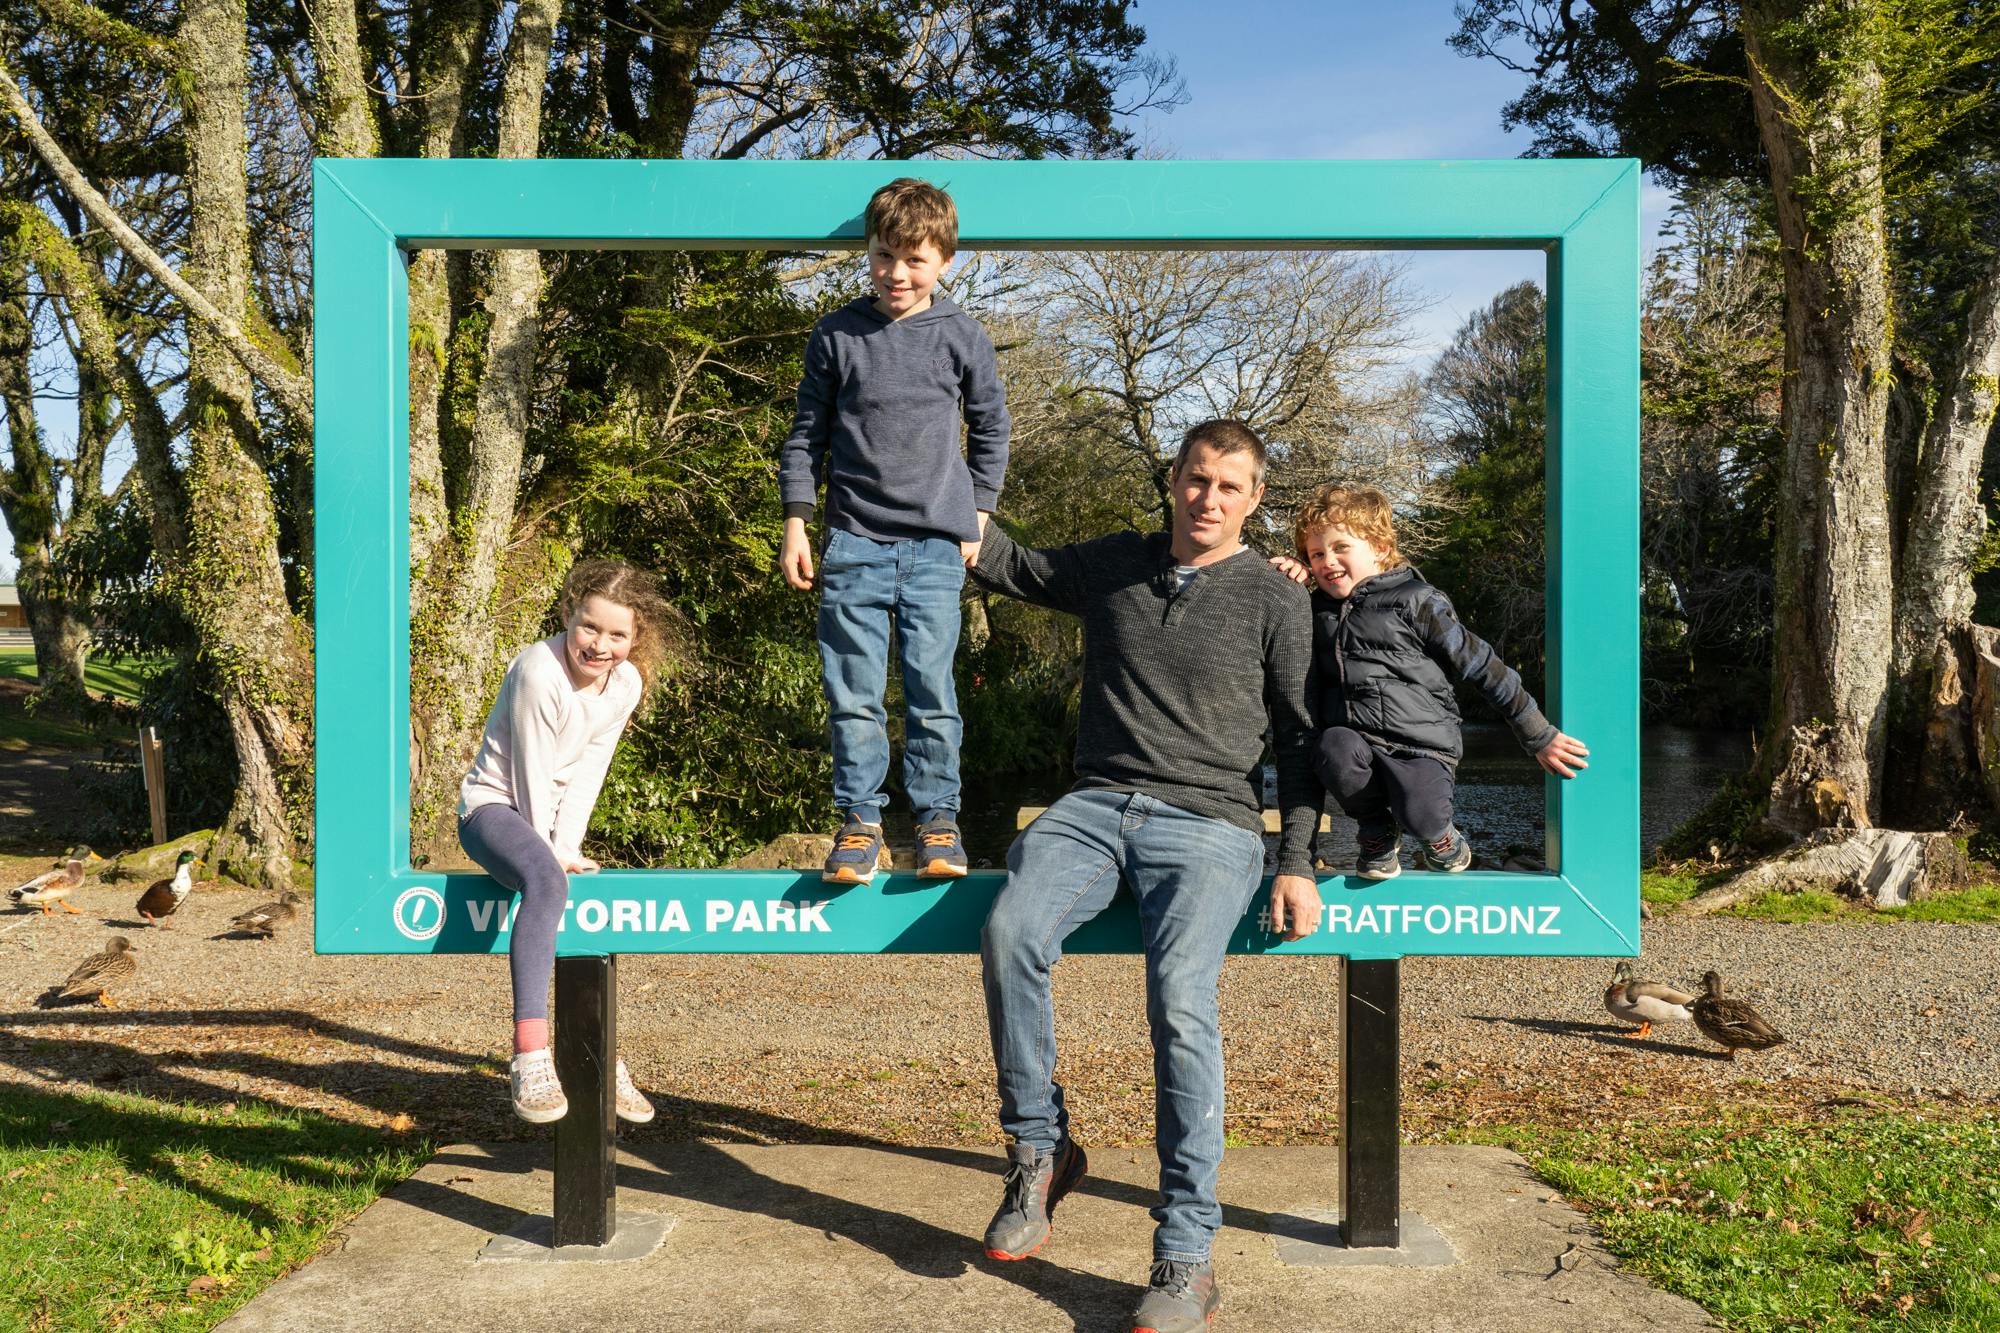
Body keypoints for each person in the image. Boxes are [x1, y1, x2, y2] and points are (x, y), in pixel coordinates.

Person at [971, 419, 1321, 1333]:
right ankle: (1041, 1152)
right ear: (1173, 479)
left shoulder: (1276, 596)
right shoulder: (1116, 563)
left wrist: (1296, 859)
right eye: (1197, 479)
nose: (1209, 499)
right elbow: (1011, 564)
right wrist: (927, 477)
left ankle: (1186, 1255)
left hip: (1210, 823)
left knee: (1179, 999)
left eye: (1230, 488)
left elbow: (1298, 740)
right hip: (1094, 806)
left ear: (1253, 501)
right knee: (1010, 931)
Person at [777, 177, 1011, 885]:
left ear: (945, 260)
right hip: (852, 541)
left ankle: (939, 820)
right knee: (851, 692)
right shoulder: (837, 334)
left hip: (937, 547)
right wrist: (797, 522)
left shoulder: (962, 335)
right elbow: (804, 437)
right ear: (869, 254)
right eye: (885, 256)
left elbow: (993, 426)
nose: (897, 273)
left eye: (915, 259)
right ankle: (860, 822)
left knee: (931, 690)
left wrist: (979, 512)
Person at [457, 559, 675, 1124]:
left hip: (548, 821)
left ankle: (600, 1060)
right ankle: (530, 1053)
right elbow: (531, 771)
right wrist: (548, 854)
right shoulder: (539, 670)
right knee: (548, 881)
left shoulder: (625, 683)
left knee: (573, 888)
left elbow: (590, 767)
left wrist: (568, 844)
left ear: (636, 638)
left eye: (617, 635)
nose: (600, 645)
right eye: (589, 628)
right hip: (494, 810)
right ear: (568, 615)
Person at [1284, 483, 1588, 877]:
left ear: (1378, 547)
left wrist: (1537, 734)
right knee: (1332, 748)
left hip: (1421, 745)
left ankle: (1442, 838)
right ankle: (1376, 831)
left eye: (1341, 548)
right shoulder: (1314, 611)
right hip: (1355, 743)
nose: (1328, 561)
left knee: (1421, 817)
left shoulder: (1417, 600)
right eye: (1316, 554)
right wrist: (1283, 576)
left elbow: (1483, 665)